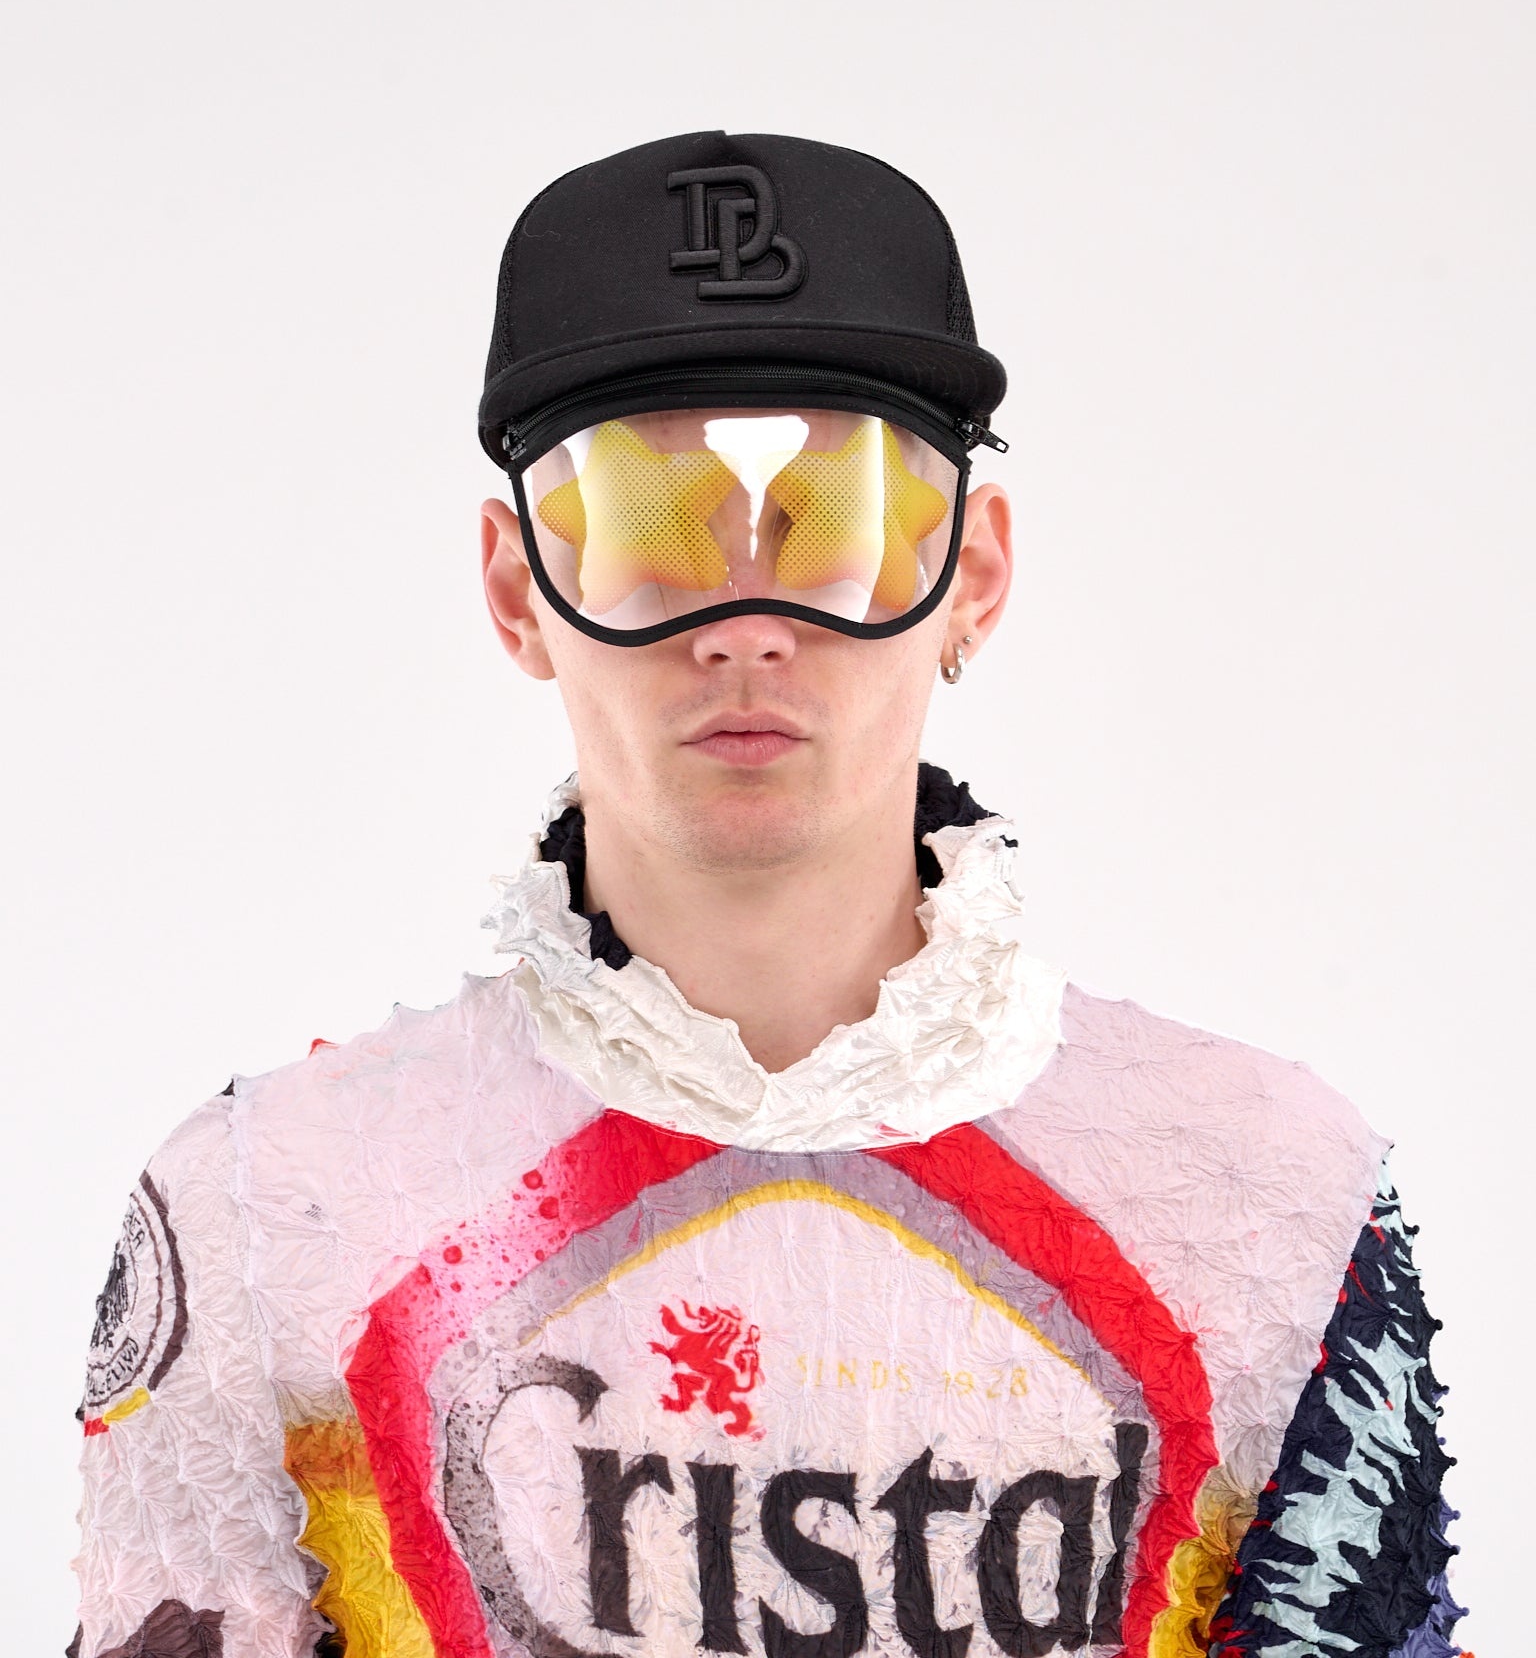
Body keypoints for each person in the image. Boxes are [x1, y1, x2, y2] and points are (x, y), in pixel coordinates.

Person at [71, 132, 1466, 1658]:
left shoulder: (1275, 1211)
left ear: (974, 576)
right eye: (645, 526)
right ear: (518, 590)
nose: (744, 626)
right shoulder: (263, 1219)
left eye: (837, 521)